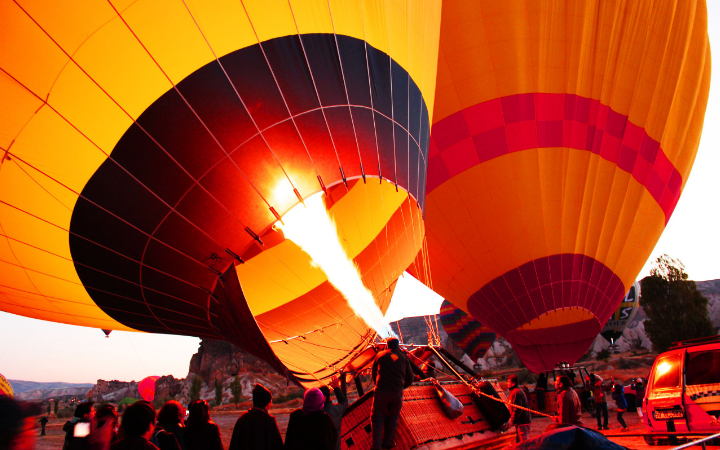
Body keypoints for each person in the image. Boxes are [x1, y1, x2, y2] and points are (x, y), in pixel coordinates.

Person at [370, 337, 414, 450]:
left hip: (382, 392)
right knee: (393, 418)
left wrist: (378, 385)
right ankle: (387, 443)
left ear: (387, 345)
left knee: (377, 418)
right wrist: (401, 388)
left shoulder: (380, 355)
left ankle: (376, 447)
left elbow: (373, 373)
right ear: (398, 346)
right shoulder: (404, 357)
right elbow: (410, 378)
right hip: (397, 393)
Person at [228, 384, 283, 450]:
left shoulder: (242, 419)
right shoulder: (269, 421)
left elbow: (234, 445)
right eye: (270, 401)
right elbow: (277, 445)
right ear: (267, 403)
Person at [320, 374, 348, 450]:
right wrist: (336, 388)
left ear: (324, 398)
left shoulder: (317, 414)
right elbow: (344, 403)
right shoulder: (337, 409)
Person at [507, 375, 532, 442]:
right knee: (520, 443)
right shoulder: (514, 392)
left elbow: (517, 409)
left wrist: (512, 420)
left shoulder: (516, 392)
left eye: (508, 382)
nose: (507, 383)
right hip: (520, 423)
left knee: (524, 443)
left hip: (522, 422)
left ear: (513, 383)